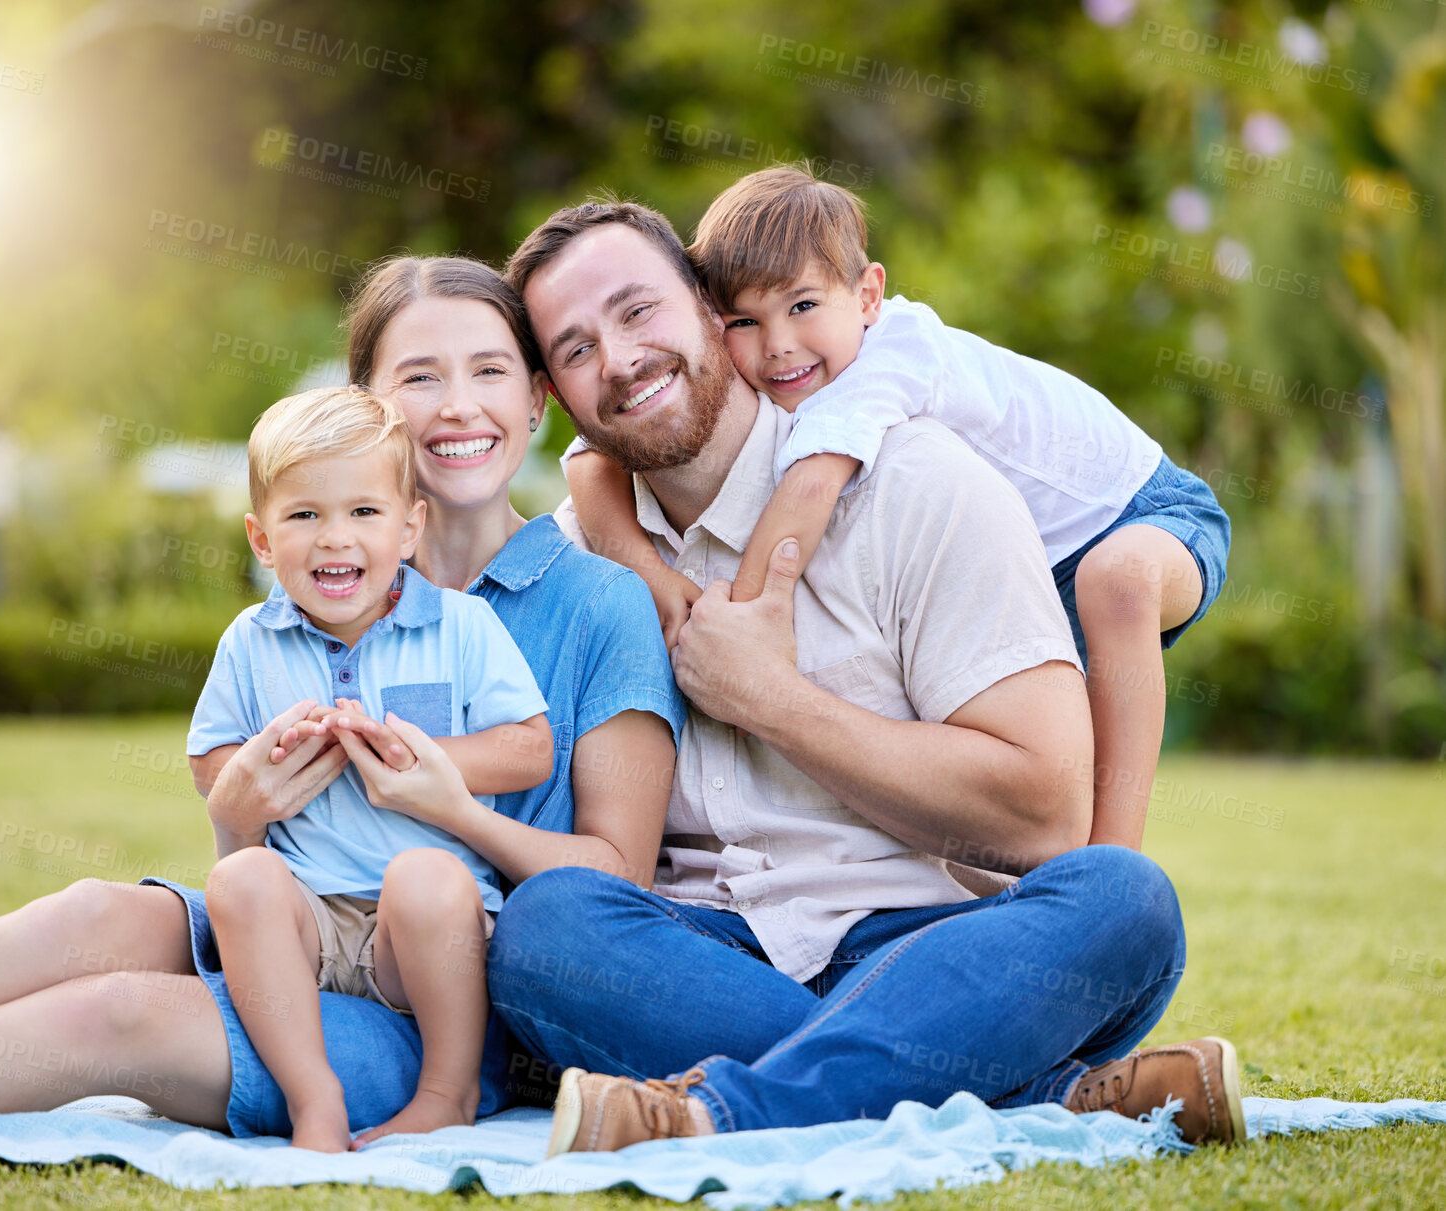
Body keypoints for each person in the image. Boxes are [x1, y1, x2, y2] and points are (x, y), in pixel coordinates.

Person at [0, 255, 685, 1144]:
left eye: (488, 370)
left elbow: (615, 895)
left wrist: (444, 788)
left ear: (536, 400)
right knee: (90, 914)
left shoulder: (599, 599)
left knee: (115, 1012)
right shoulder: (316, 586)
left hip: (443, 994)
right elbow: (246, 838)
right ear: (363, 402)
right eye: (419, 376)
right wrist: (239, 813)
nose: (456, 405)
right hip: (299, 921)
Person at [488, 196, 1245, 1154]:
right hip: (701, 958)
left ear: (709, 306)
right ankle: (1031, 1088)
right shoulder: (575, 564)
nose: (624, 358)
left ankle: (730, 1111)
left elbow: (1048, 816)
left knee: (1122, 902)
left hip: (931, 948)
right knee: (547, 928)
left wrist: (775, 703)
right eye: (578, 347)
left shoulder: (917, 481)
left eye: (639, 312)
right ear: (554, 390)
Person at [563, 164, 1231, 851]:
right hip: (1037, 559)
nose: (778, 344)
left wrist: (735, 635)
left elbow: (806, 496)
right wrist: (646, 569)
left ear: (868, 294)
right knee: (1029, 755)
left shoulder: (886, 363)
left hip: (1138, 511)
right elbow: (591, 458)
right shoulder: (777, 369)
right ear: (712, 320)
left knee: (1115, 584)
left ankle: (1115, 866)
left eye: (802, 307)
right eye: (745, 320)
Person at [193, 385, 554, 1150]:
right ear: (261, 539)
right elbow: (213, 762)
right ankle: (312, 1094)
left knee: (425, 876)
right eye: (304, 515)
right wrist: (261, 768)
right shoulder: (251, 641)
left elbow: (529, 746)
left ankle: (446, 1090)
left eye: (363, 512)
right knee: (237, 878)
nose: (334, 539)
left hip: (420, 935)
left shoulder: (461, 624)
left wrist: (418, 757)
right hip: (309, 919)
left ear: (410, 526)